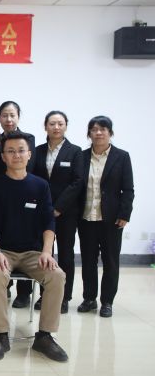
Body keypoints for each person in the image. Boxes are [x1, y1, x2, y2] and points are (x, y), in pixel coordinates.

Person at [0, 131, 68, 362]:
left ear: (29, 154)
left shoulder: (40, 186)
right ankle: (1, 335)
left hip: (33, 253)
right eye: (10, 151)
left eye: (21, 150)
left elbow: (49, 222)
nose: (16, 155)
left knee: (57, 275)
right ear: (3, 156)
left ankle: (45, 336)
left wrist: (47, 252)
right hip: (2, 250)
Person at [77, 116, 134, 318]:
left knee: (111, 261)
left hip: (111, 219)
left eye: (103, 129)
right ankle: (89, 298)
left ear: (110, 132)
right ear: (89, 133)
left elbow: (128, 189)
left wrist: (125, 214)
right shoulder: (81, 156)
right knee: (88, 261)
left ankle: (107, 301)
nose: (99, 132)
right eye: (94, 129)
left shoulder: (122, 157)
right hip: (86, 218)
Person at [33, 111, 84, 314]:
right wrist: (45, 207)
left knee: (65, 254)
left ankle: (63, 297)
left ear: (66, 126)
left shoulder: (75, 151)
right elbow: (32, 179)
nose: (56, 127)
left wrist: (58, 208)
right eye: (52, 123)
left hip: (66, 212)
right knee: (44, 253)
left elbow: (78, 182)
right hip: (41, 211)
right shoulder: (37, 151)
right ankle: (45, 294)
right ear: (45, 126)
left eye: (60, 124)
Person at [0, 100, 36, 307]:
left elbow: (30, 167)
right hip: (2, 192)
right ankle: (4, 287)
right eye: (4, 115)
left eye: (12, 115)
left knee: (25, 242)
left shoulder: (27, 139)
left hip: (25, 192)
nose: (8, 119)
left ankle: (24, 293)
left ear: (18, 117)